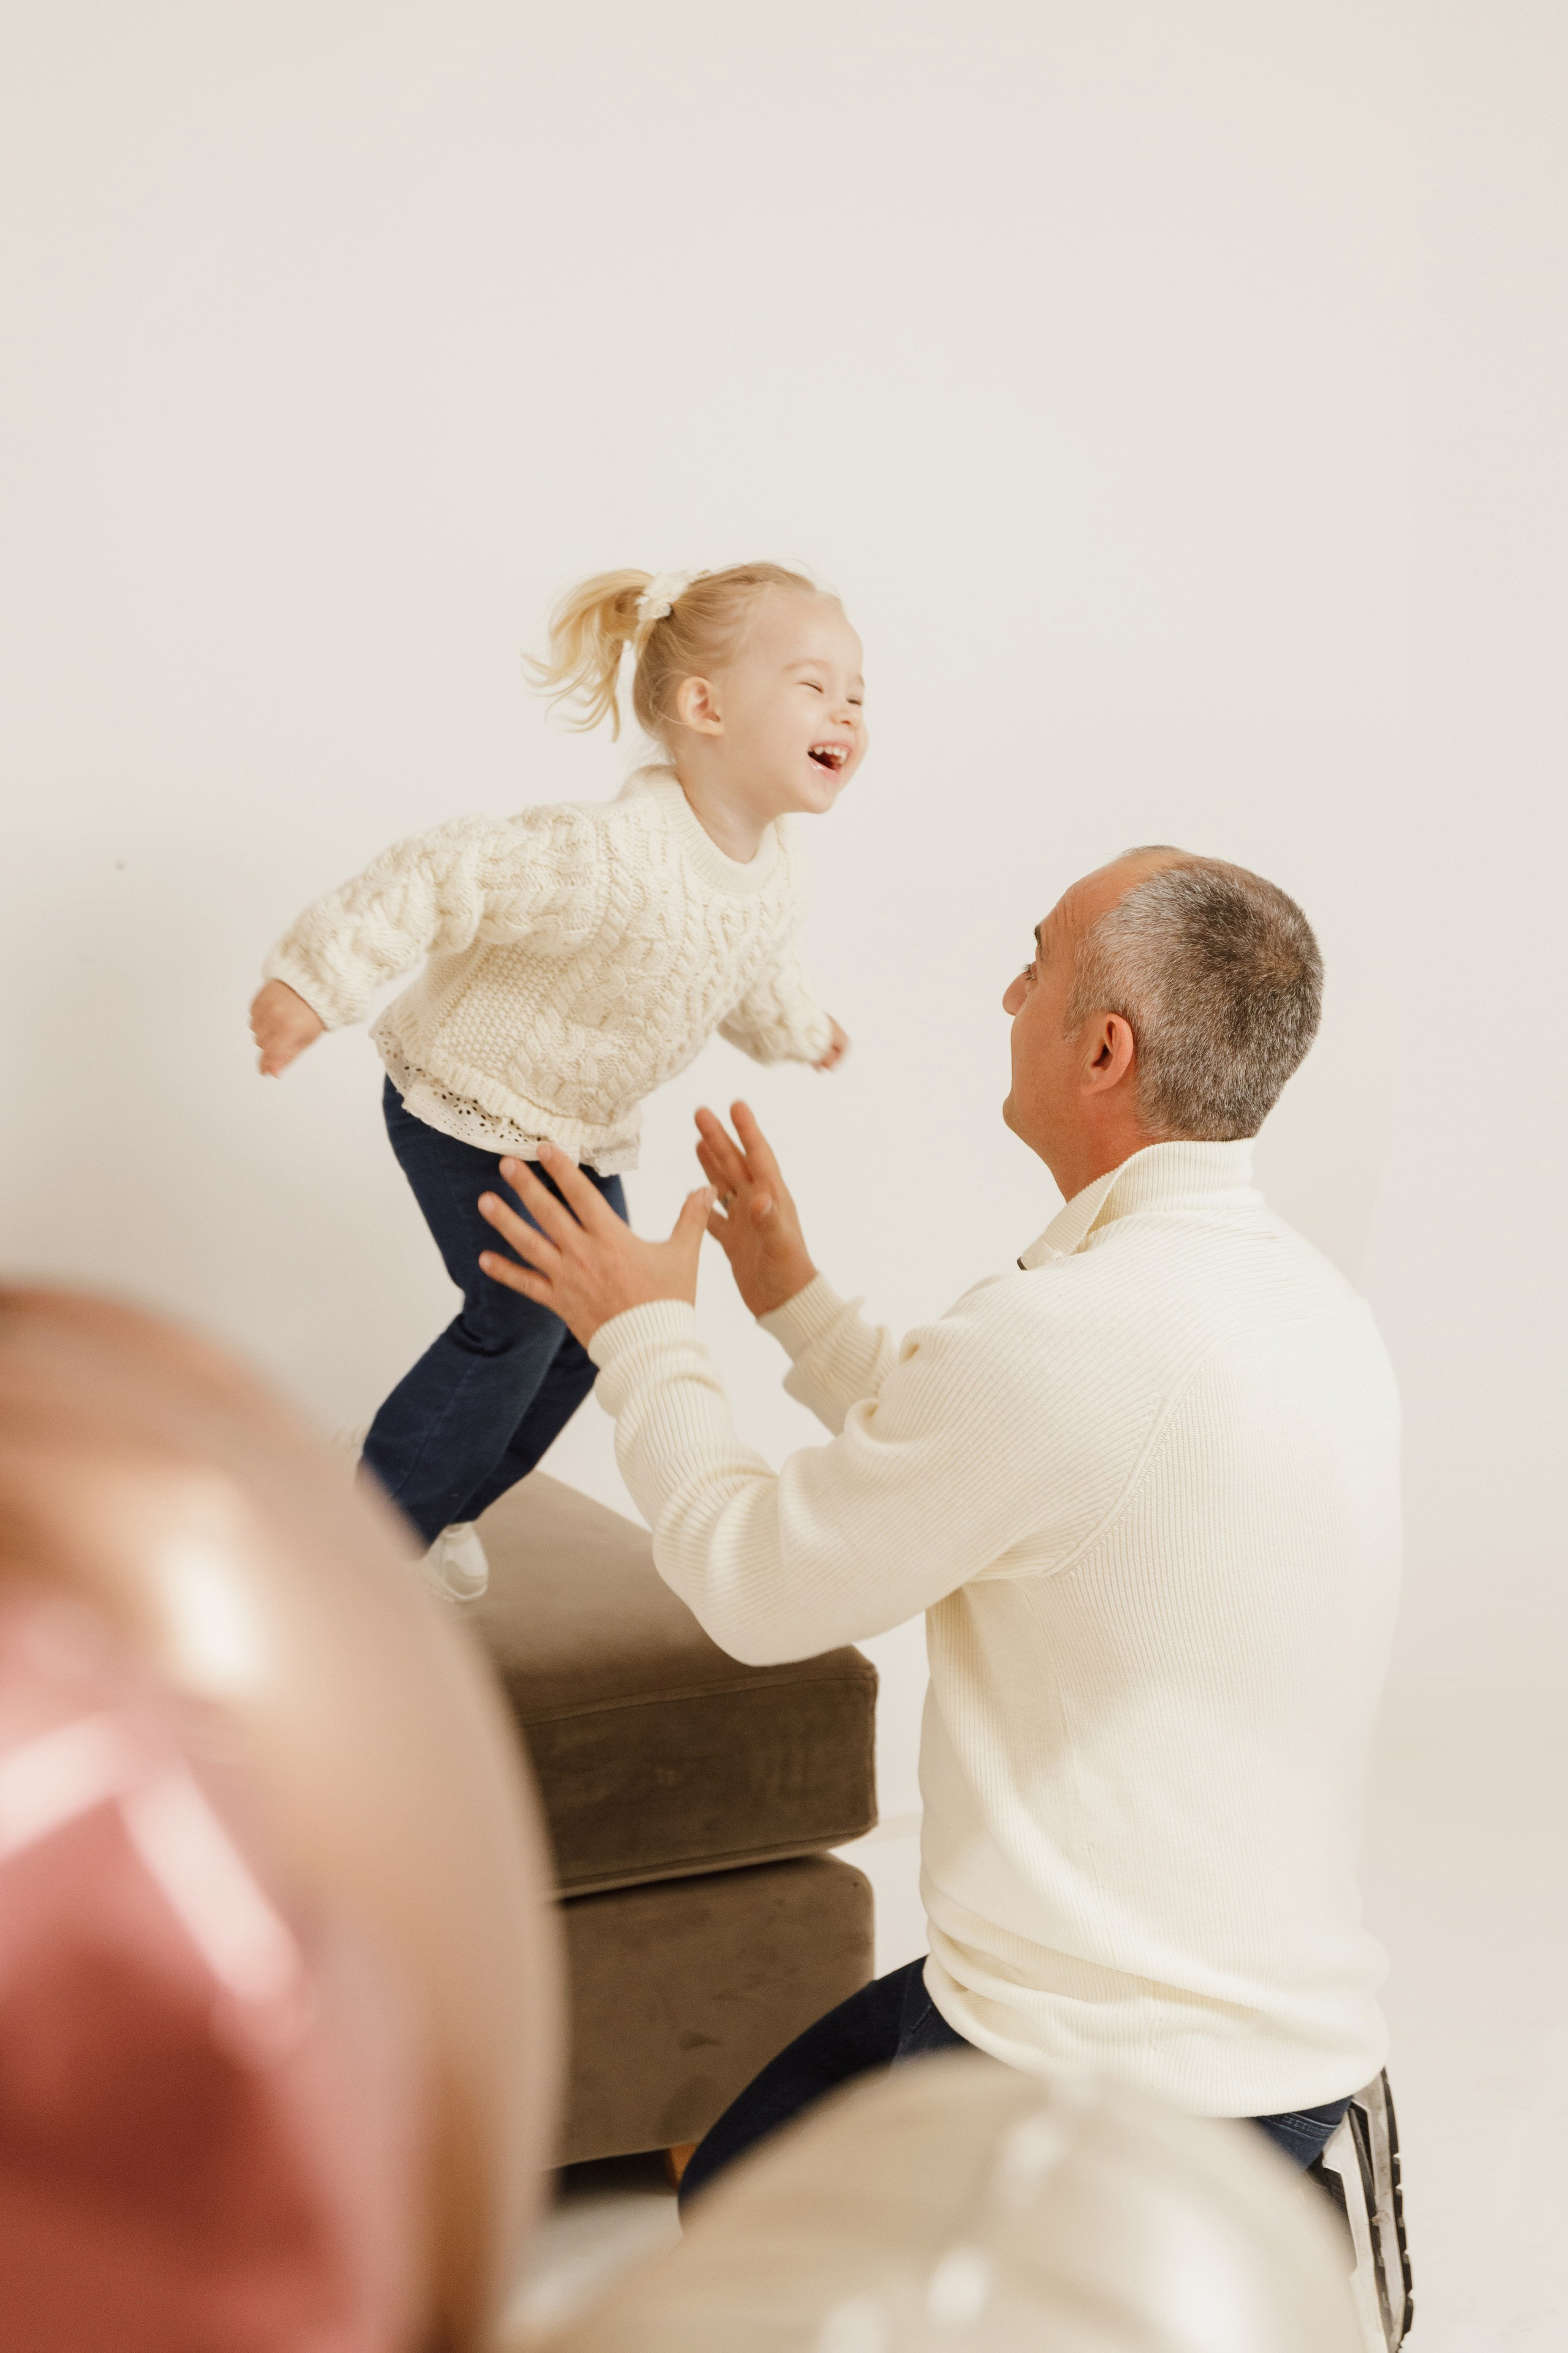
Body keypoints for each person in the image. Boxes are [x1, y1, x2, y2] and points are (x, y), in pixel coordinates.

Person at [472, 846, 1403, 2202]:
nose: (1006, 989)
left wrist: (641, 1333)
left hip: (1125, 2081)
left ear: (1101, 1049)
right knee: (737, 2179)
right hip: (1170, 2014)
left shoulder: (1072, 1335)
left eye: (1035, 961)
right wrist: (789, 1297)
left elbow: (754, 1585)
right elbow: (997, 1456)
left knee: (760, 2259)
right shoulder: (1295, 1299)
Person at [248, 564, 861, 1596]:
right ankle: (361, 1553)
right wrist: (317, 980)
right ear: (703, 706)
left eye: (857, 692)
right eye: (814, 683)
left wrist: (802, 1029)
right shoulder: (609, 854)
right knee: (518, 1317)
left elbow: (750, 960)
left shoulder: (780, 867)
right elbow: (446, 874)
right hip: (468, 1099)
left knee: (601, 1329)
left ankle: (440, 1503)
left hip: (578, 1130)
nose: (845, 708)